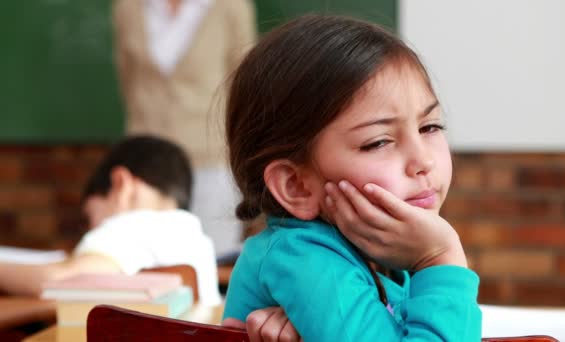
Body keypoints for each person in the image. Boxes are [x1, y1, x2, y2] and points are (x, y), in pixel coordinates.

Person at [221, 15, 482, 340]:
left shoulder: (382, 251)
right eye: (379, 142)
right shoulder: (303, 257)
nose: (423, 160)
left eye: (429, 127)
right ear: (296, 186)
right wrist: (441, 258)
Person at [0, 135, 221, 306]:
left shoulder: (128, 227)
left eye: (90, 217)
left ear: (120, 184)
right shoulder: (194, 234)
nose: (91, 230)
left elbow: (56, 281)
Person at [112, 0, 258, 258]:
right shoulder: (129, 7)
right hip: (147, 161)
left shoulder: (230, 6)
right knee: (146, 260)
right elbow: (127, 77)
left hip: (211, 157)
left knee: (213, 260)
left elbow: (245, 81)